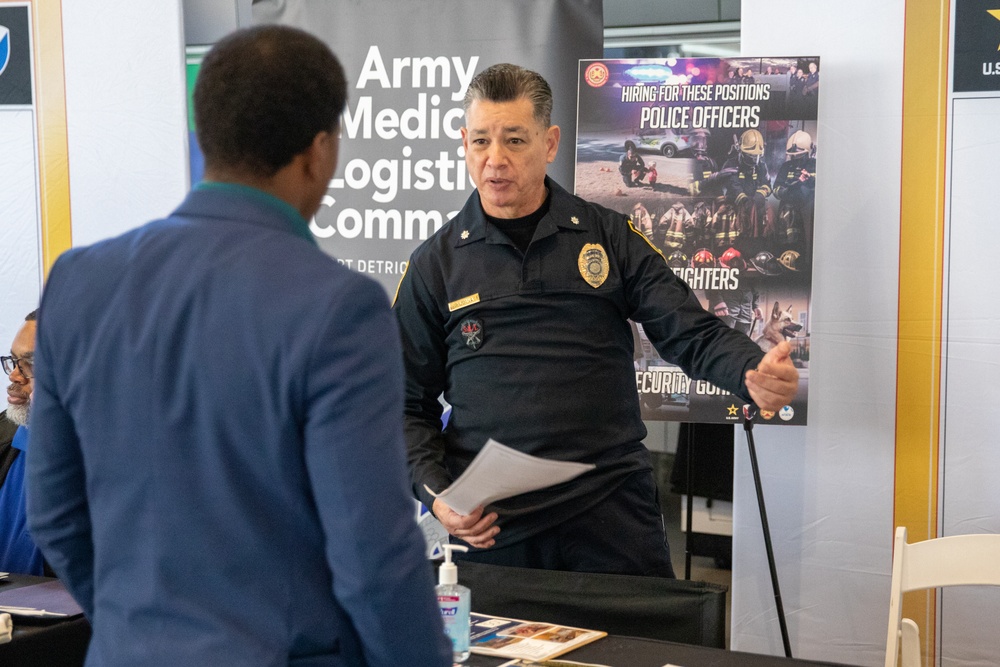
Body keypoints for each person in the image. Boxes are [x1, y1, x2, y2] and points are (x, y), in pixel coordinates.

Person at [27, 26, 450, 667]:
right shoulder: (339, 307)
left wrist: (135, 623)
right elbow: (372, 555)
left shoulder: (79, 282)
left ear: (205, 138)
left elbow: (55, 511)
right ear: (319, 152)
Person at [393, 63, 798, 577]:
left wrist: (748, 369)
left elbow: (686, 329)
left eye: (515, 140)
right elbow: (405, 403)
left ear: (550, 142)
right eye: (480, 142)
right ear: (464, 143)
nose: (495, 160)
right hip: (492, 526)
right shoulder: (436, 263)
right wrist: (437, 494)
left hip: (610, 512)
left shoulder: (609, 237)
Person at [0, 310, 45, 575]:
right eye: (14, 362)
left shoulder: (125, 451)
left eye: (30, 364)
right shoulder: (5, 433)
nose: (15, 377)